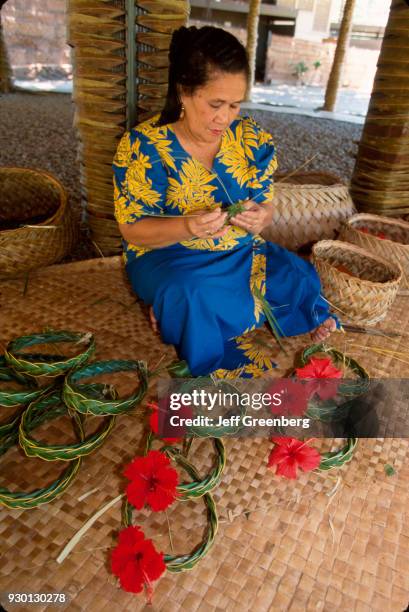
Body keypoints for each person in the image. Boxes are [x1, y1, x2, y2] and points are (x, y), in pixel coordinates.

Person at [113, 26, 337, 378]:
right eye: (215, 104)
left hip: (239, 250)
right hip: (170, 256)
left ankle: (184, 316)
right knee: (189, 295)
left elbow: (266, 205)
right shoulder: (145, 146)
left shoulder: (250, 138)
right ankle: (179, 313)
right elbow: (133, 230)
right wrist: (187, 225)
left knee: (298, 275)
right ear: (183, 92)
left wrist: (261, 217)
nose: (225, 118)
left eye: (235, 105)